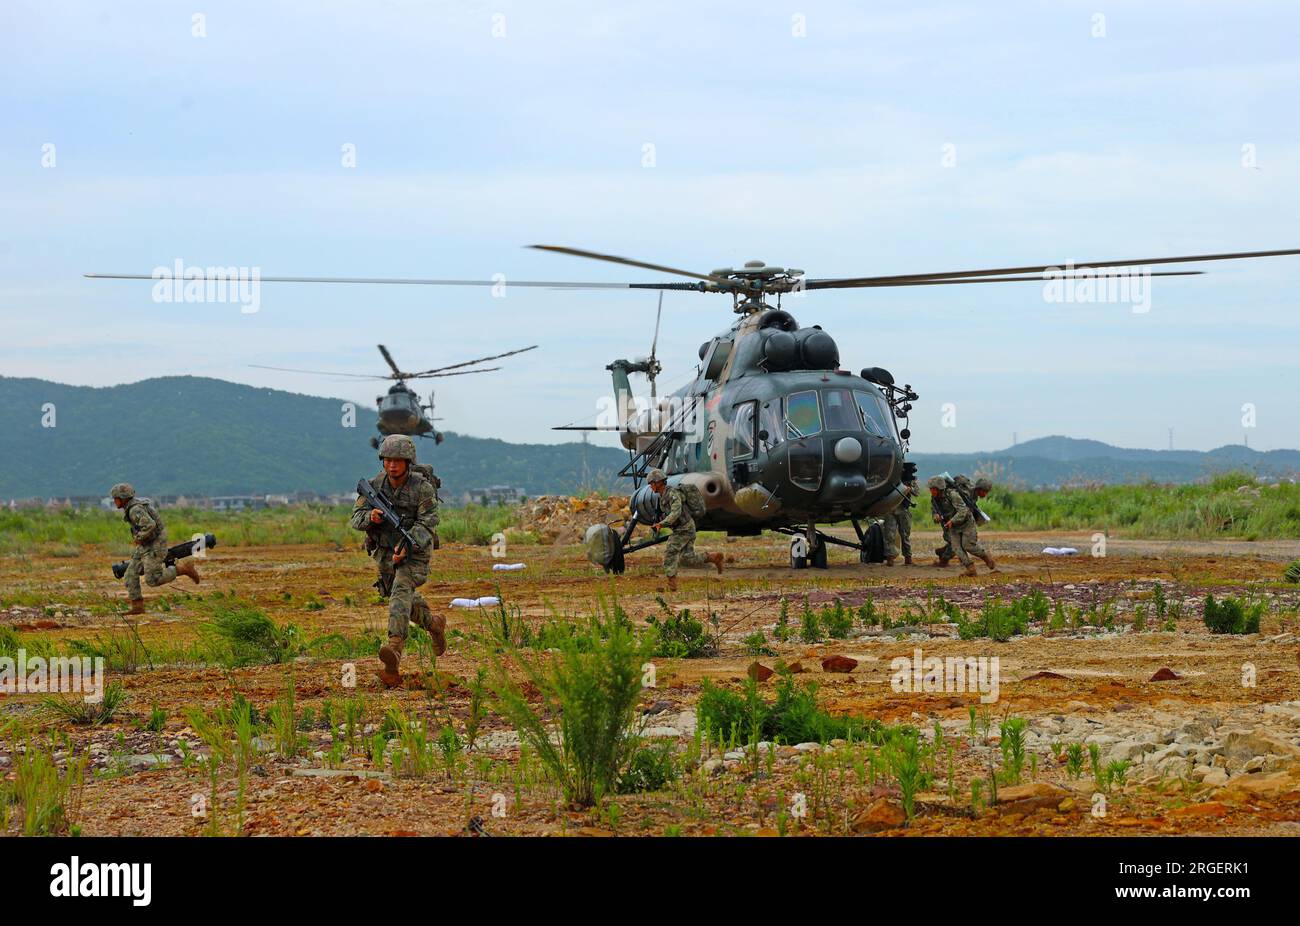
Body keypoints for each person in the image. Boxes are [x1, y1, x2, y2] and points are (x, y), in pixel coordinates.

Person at [349, 434, 444, 684]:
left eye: (398, 461)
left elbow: (429, 522)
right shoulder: (373, 487)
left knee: (401, 588)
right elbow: (355, 519)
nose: (392, 465)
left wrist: (407, 542)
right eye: (388, 460)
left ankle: (394, 650)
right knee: (399, 598)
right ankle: (434, 624)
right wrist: (373, 518)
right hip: (385, 554)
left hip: (415, 552)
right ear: (383, 461)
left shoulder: (421, 487)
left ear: (408, 462)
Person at [111, 483, 199, 614]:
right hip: (146, 544)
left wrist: (139, 537)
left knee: (153, 579)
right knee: (130, 574)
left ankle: (183, 569)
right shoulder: (133, 507)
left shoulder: (135, 509)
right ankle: (138, 607)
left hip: (154, 544)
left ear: (123, 498)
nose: (114, 501)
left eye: (116, 498)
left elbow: (150, 525)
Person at [647, 468, 723, 591]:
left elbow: (676, 513)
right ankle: (712, 557)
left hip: (685, 528)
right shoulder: (663, 497)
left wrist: (662, 523)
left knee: (670, 552)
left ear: (658, 482)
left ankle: (672, 584)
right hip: (683, 527)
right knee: (688, 559)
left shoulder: (673, 494)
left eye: (651, 483)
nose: (650, 486)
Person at [927, 475, 980, 577]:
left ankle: (944, 559)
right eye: (931, 489)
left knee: (956, 543)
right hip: (947, 522)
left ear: (939, 489)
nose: (931, 491)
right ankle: (946, 555)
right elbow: (934, 510)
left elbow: (963, 510)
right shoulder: (934, 498)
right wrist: (936, 516)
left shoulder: (952, 495)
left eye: (933, 489)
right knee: (952, 542)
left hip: (957, 521)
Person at [884, 475, 917, 566]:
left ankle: (908, 557)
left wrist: (909, 488)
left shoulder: (909, 479)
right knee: (889, 534)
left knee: (905, 534)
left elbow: (916, 492)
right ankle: (890, 558)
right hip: (890, 509)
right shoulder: (888, 476)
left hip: (903, 509)